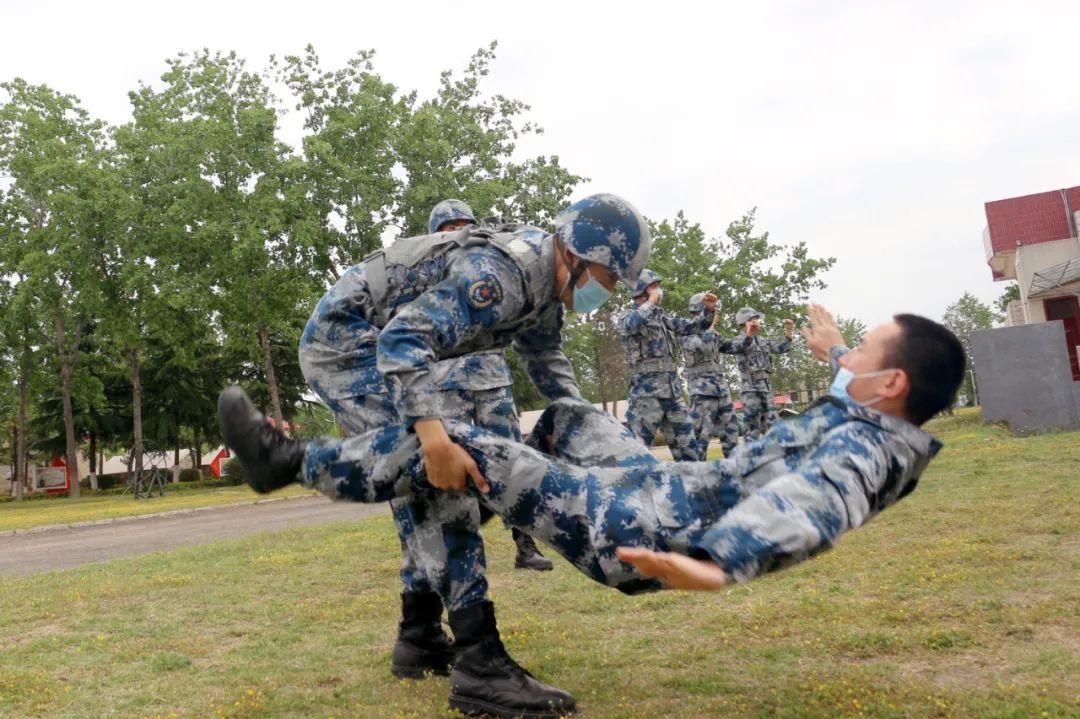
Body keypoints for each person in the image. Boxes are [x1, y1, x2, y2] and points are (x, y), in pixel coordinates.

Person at [221, 304, 964, 600]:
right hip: (664, 484)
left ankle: (288, 462)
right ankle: (487, 499)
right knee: (568, 419)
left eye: (863, 349)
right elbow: (847, 382)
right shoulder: (869, 411)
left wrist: (718, 561)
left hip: (632, 527)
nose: (848, 355)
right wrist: (835, 345)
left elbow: (815, 504)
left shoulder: (866, 457)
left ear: (891, 382)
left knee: (458, 442)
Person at [295, 192, 651, 719]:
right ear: (577, 254)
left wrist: (586, 425)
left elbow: (545, 357)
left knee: (435, 483)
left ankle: (418, 636)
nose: (612, 290)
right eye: (609, 275)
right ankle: (479, 661)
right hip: (347, 344)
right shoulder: (502, 276)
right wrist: (436, 441)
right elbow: (402, 340)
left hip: (385, 342)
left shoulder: (548, 286)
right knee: (445, 480)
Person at [618, 270, 716, 460]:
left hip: (673, 395)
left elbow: (694, 327)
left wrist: (709, 310)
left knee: (690, 453)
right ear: (643, 290)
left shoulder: (663, 318)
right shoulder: (627, 316)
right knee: (635, 456)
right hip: (646, 396)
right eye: (655, 287)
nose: (659, 290)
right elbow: (631, 325)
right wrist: (651, 302)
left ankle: (694, 489)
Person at [681, 293, 751, 460]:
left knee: (732, 436)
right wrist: (710, 329)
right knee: (700, 441)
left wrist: (748, 336)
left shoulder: (715, 334)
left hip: (722, 393)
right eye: (710, 310)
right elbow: (703, 347)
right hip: (702, 394)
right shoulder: (687, 332)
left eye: (713, 311)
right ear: (698, 311)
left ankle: (735, 477)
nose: (714, 314)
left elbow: (733, 347)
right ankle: (699, 482)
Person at [730, 307, 794, 441]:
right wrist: (749, 335)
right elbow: (741, 347)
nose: (757, 321)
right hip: (750, 389)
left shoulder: (763, 341)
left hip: (766, 389)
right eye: (754, 319)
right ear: (745, 322)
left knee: (773, 427)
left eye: (757, 319)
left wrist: (789, 332)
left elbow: (780, 347)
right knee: (753, 428)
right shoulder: (738, 341)